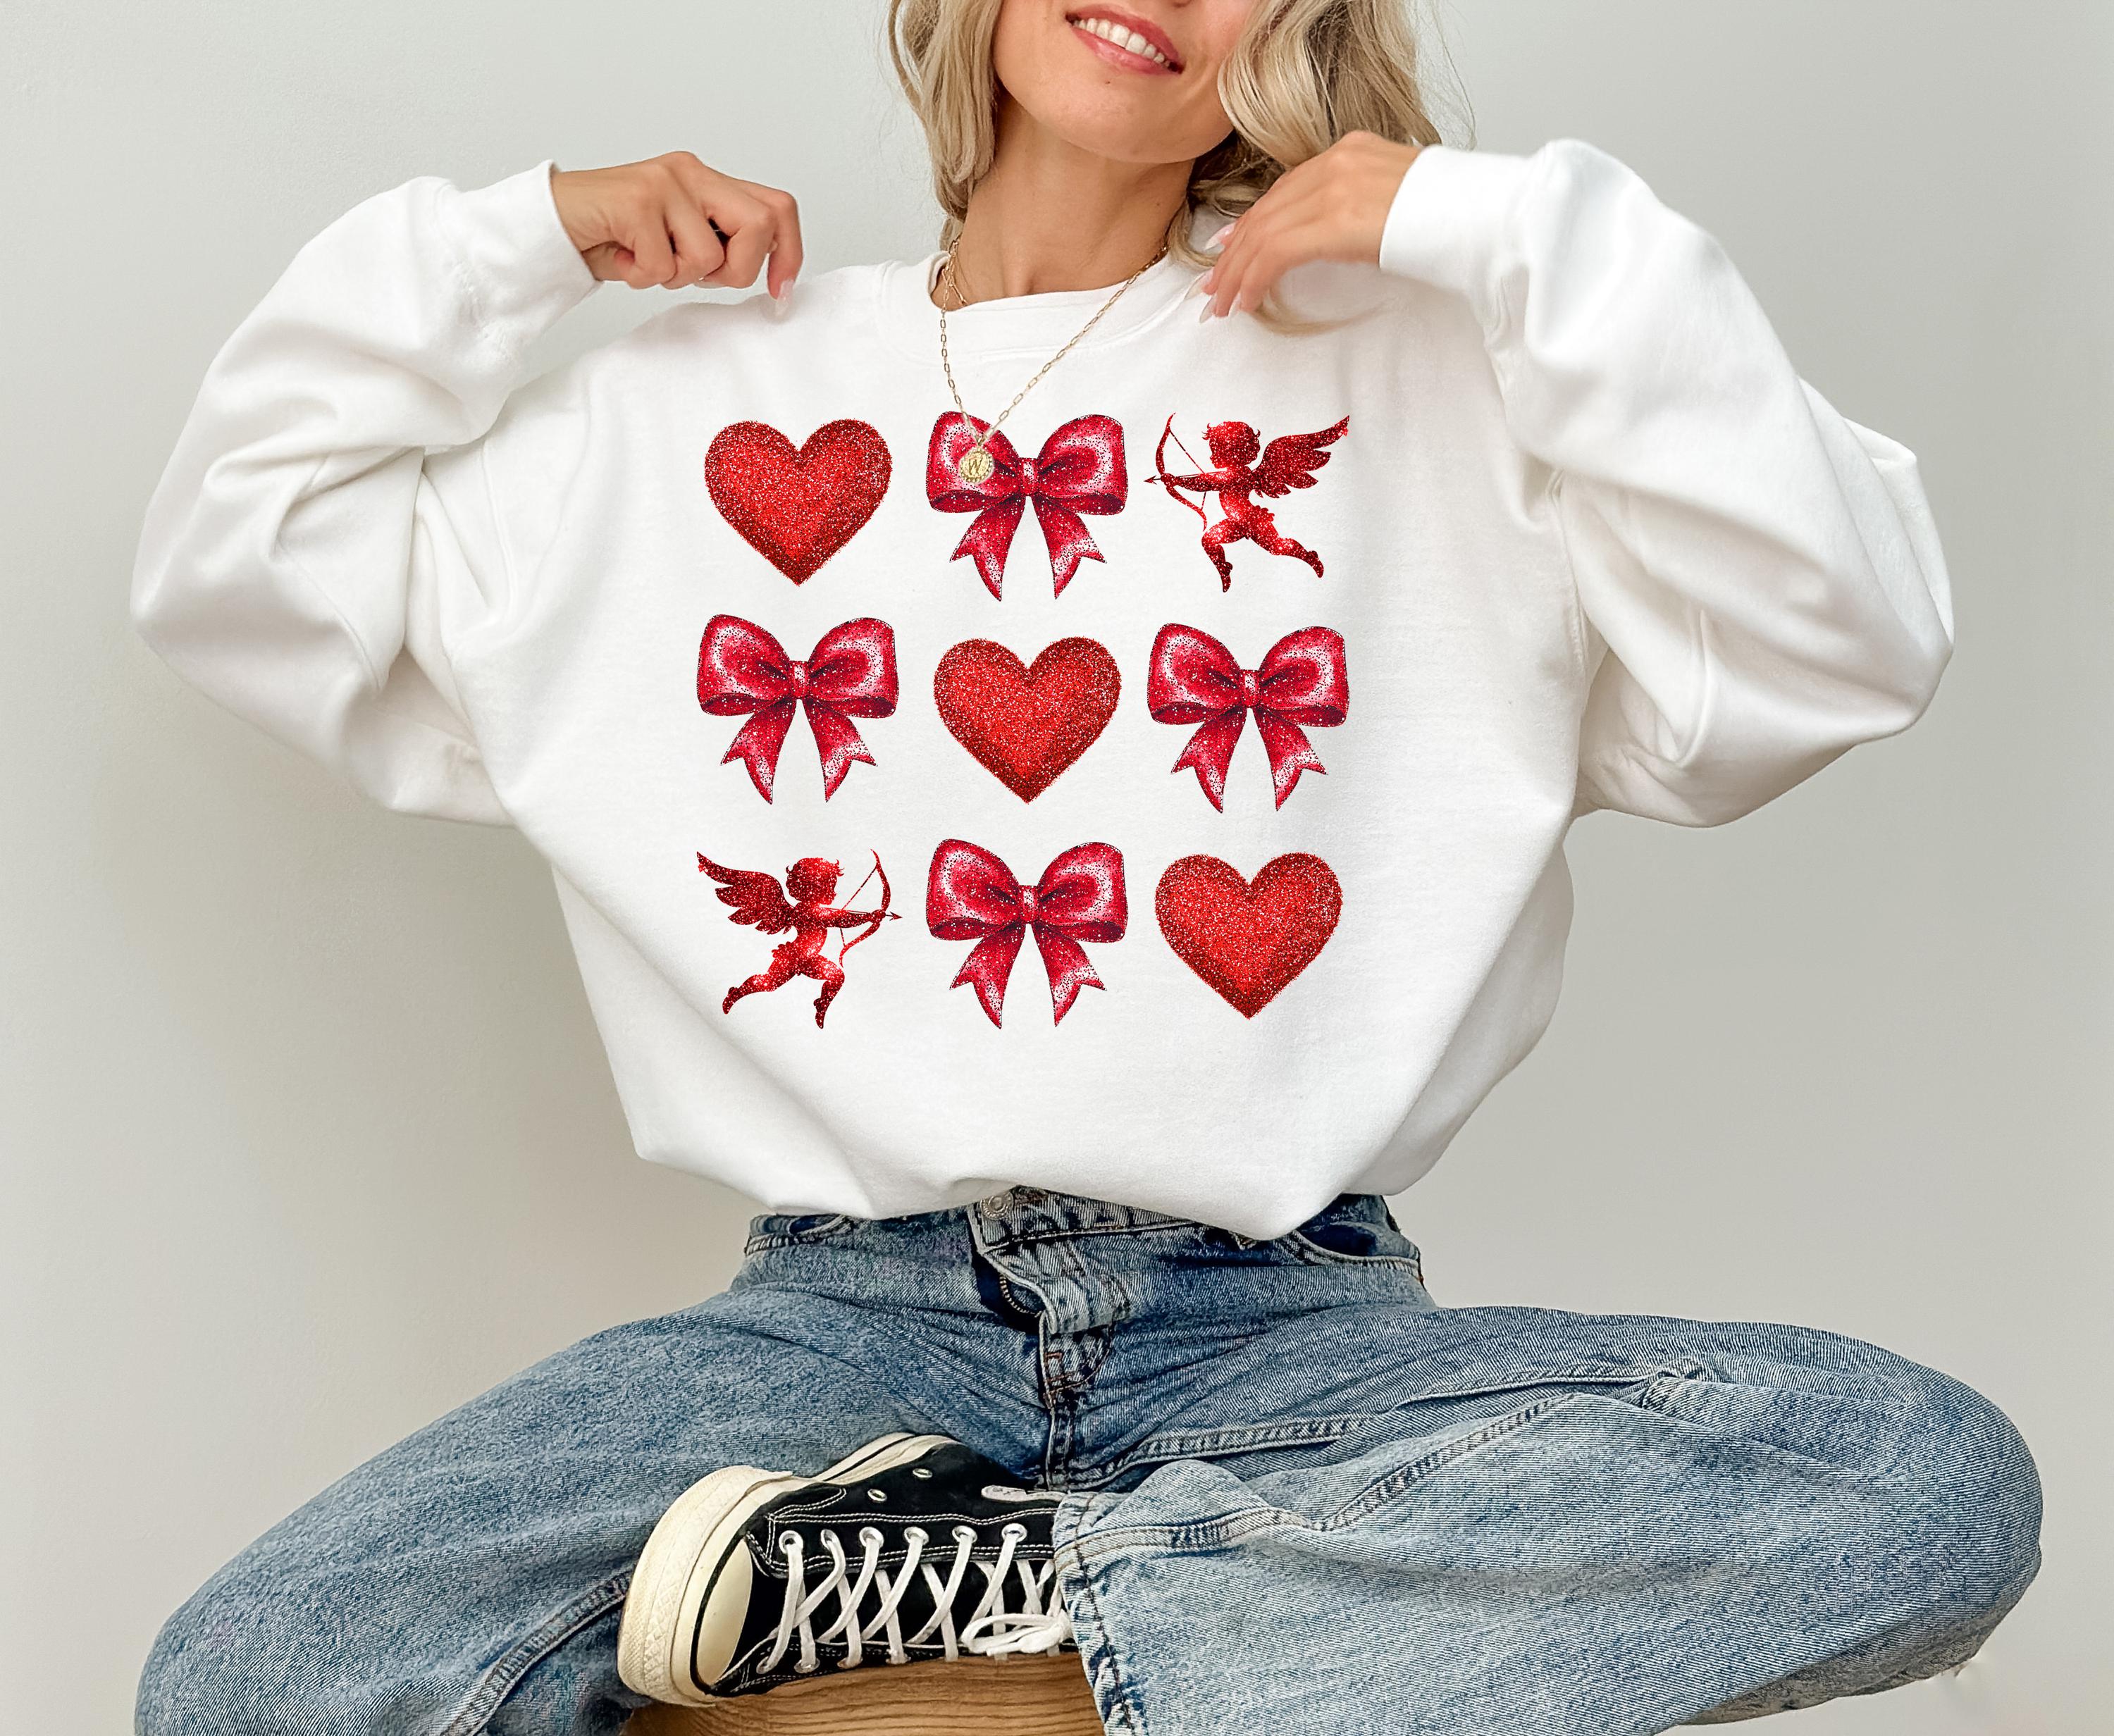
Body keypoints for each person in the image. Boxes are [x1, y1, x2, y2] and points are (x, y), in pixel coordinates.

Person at [128, 1, 2040, 1732]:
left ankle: (1013, 1602)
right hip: (830, 1345)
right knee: (259, 1674)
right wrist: (515, 242)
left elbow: (1837, 644)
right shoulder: (669, 412)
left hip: (1294, 1349)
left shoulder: (1448, 375)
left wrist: (1518, 237)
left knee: (1918, 1480)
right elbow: (242, 579)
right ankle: (1123, 1624)